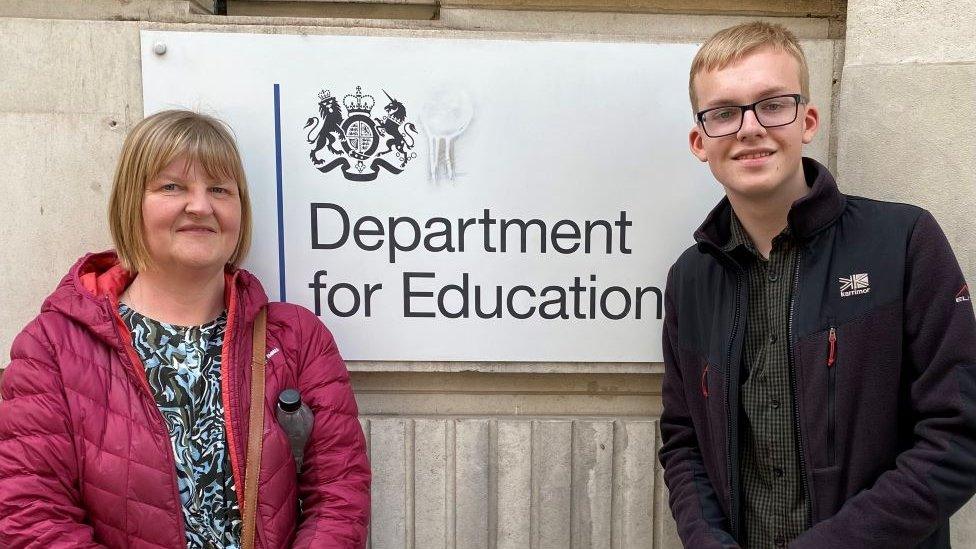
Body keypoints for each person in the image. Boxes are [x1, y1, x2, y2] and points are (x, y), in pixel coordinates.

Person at [658, 22, 976, 549]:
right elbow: (683, 441)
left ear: (806, 121)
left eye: (773, 104)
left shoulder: (902, 242)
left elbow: (958, 433)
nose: (750, 127)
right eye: (724, 112)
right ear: (700, 140)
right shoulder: (689, 280)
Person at [0, 110, 371, 548]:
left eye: (219, 189)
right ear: (130, 202)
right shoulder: (54, 348)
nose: (200, 205)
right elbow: (32, 514)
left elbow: (339, 495)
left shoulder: (295, 339)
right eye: (172, 186)